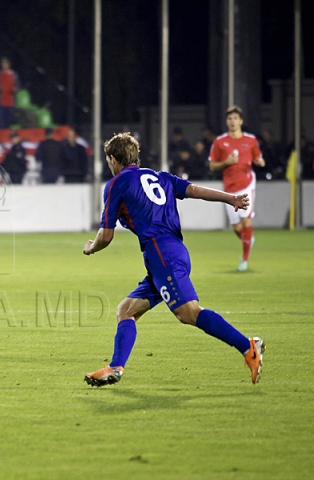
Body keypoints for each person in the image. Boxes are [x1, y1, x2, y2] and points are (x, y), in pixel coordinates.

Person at [82, 132, 264, 387]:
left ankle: (248, 346)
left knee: (188, 313)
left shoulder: (116, 184)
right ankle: (116, 367)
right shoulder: (160, 176)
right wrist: (230, 197)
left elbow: (106, 235)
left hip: (161, 254)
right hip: (172, 251)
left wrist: (91, 247)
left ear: (113, 160)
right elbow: (194, 190)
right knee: (126, 311)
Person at [208, 106, 266, 272]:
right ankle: (248, 239)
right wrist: (226, 163)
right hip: (229, 187)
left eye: (235, 118)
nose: (232, 121)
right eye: (229, 119)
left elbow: (258, 156)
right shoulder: (219, 142)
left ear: (240, 121)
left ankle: (244, 260)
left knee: (246, 220)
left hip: (247, 184)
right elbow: (212, 165)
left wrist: (260, 162)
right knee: (236, 227)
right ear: (227, 122)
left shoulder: (250, 140)